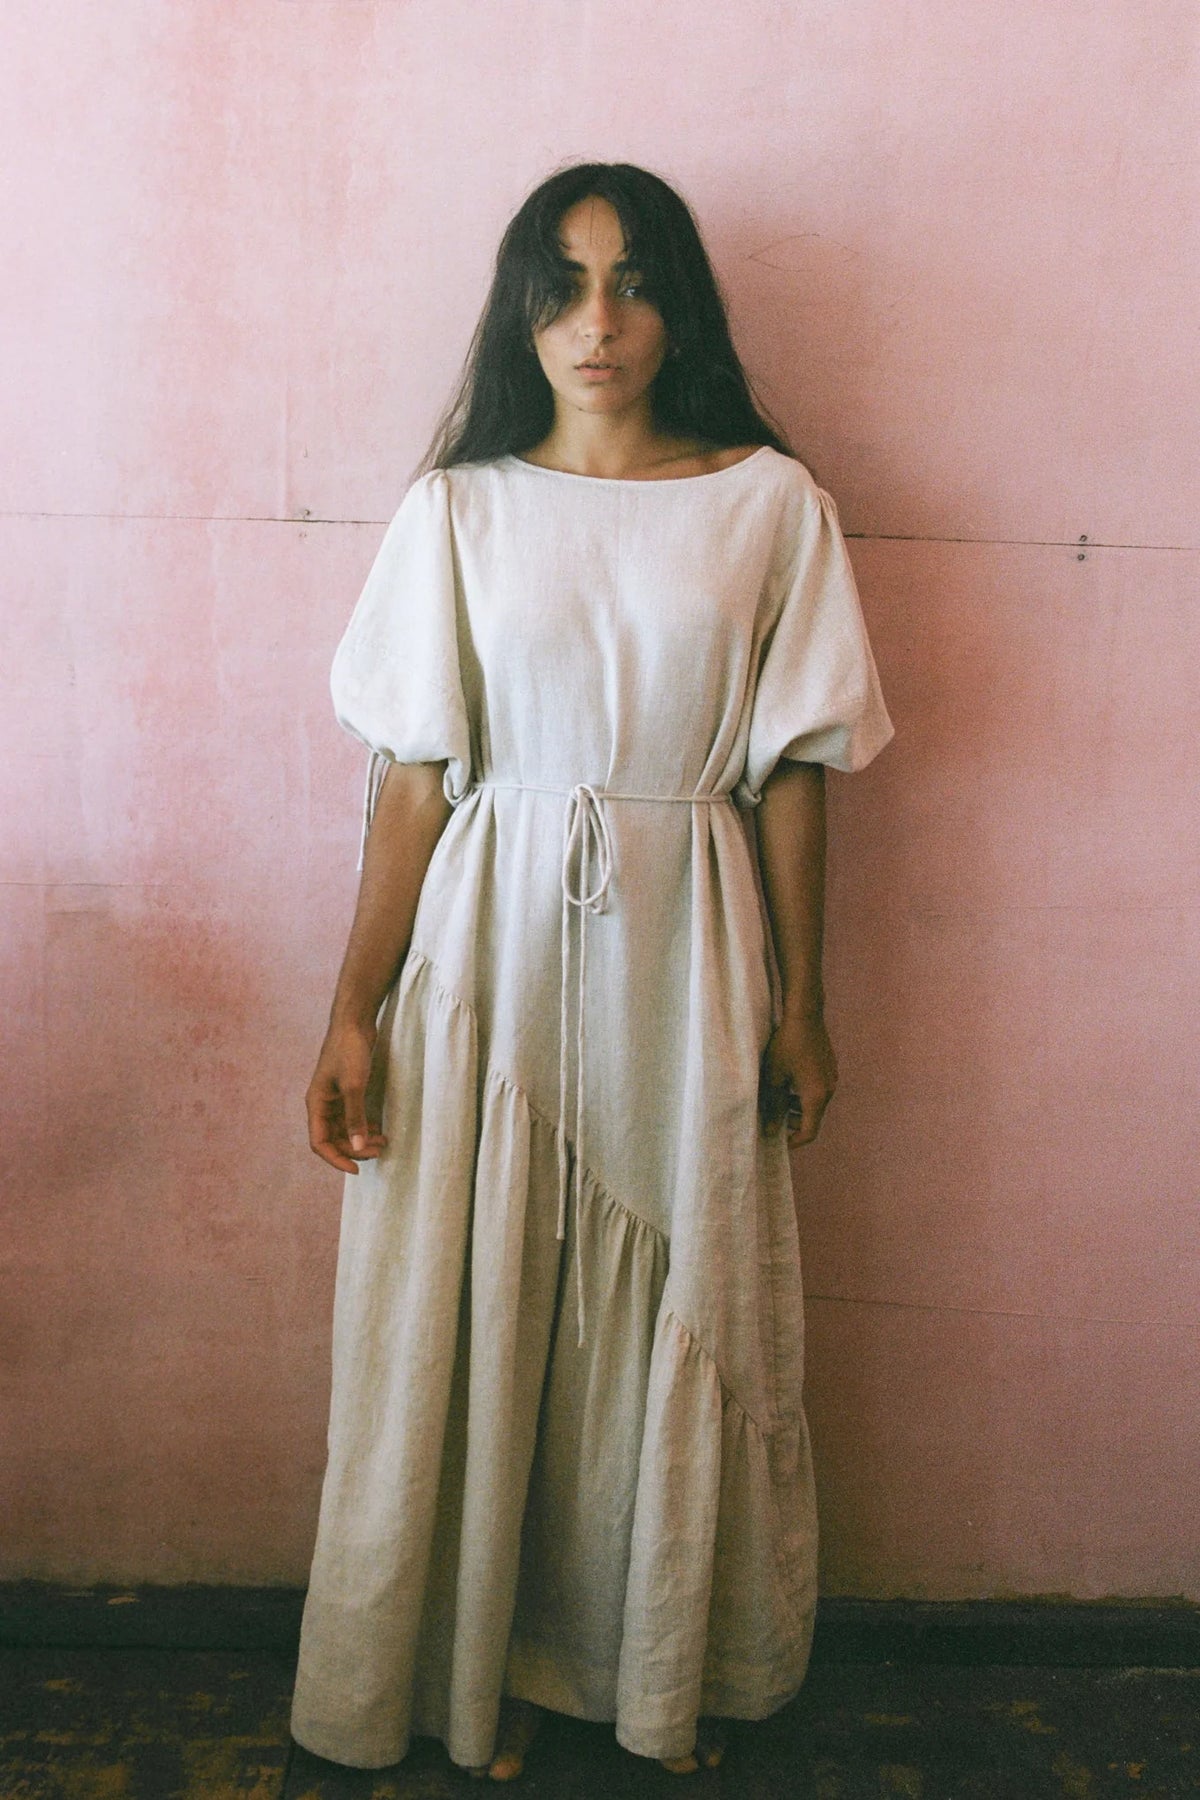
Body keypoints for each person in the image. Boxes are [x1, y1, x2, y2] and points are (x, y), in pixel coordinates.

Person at [290, 161, 893, 1782]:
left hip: (689, 947)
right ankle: (474, 1672)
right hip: (487, 949)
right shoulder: (460, 511)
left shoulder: (771, 504)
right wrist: (352, 1011)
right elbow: (414, 780)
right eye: (564, 284)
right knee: (479, 1299)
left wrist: (807, 1005)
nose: (599, 320)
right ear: (523, 313)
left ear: (678, 308)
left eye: (632, 282)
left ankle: (649, 1672)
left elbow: (794, 771)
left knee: (682, 1293)